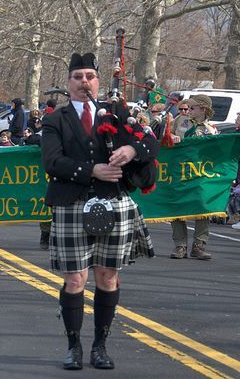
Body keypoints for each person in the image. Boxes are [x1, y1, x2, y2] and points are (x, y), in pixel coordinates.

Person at [42, 52, 157, 371]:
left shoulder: (117, 112)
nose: (84, 82)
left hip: (114, 202)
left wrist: (132, 147)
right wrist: (92, 170)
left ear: (98, 81)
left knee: (107, 276)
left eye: (90, 76)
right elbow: (52, 162)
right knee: (76, 279)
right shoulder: (56, 119)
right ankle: (73, 346)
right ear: (69, 83)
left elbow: (152, 143)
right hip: (72, 204)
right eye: (78, 77)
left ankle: (100, 346)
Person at [170, 94, 217, 260]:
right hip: (179, 172)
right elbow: (163, 139)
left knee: (203, 208)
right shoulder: (178, 121)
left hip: (198, 174)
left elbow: (213, 153)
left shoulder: (211, 130)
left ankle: (199, 245)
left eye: (192, 108)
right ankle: (180, 246)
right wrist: (171, 139)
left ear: (203, 109)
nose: (188, 110)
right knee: (177, 208)